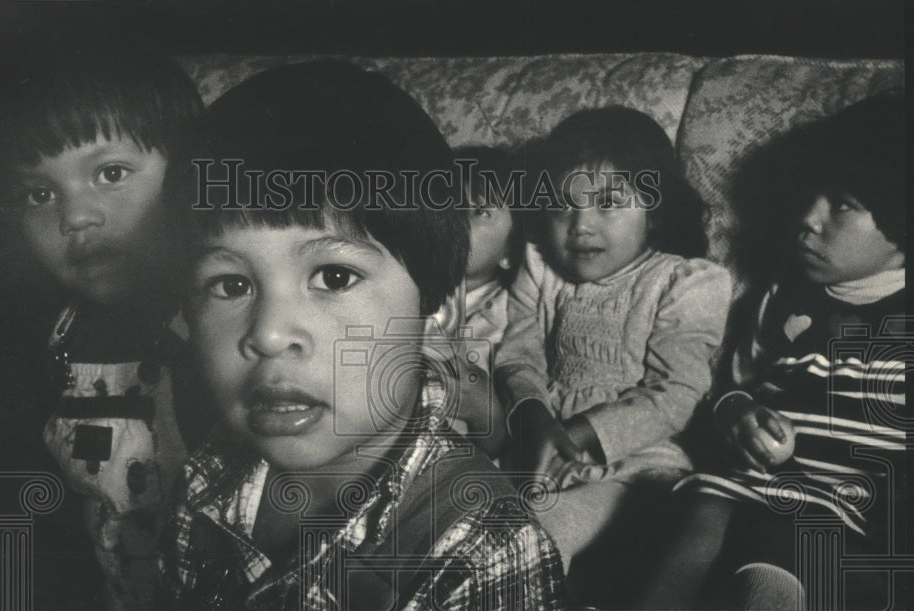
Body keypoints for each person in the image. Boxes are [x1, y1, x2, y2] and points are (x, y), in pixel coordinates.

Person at [159, 60, 566, 609]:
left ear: (436, 312)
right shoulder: (209, 474)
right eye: (231, 284)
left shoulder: (483, 547)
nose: (271, 334)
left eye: (333, 277)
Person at [639, 92, 907, 610]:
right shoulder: (779, 298)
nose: (808, 218)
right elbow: (730, 388)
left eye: (843, 205)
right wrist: (738, 412)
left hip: (863, 511)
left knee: (784, 547)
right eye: (810, 196)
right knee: (707, 505)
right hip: (758, 480)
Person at [0, 46, 205, 610]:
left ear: (189, 171)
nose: (74, 217)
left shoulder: (219, 324)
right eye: (40, 194)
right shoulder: (55, 337)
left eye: (110, 173)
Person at [495, 107, 732, 573]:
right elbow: (517, 360)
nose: (581, 225)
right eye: (564, 205)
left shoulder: (685, 282)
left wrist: (577, 435)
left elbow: (677, 393)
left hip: (637, 465)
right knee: (465, 523)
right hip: (539, 451)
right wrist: (535, 416)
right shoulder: (542, 271)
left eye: (607, 203)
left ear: (656, 211)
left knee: (535, 540)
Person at [433, 145, 527, 456]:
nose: (454, 218)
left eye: (479, 211)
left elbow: (507, 440)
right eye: (446, 204)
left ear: (509, 253)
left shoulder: (511, 318)